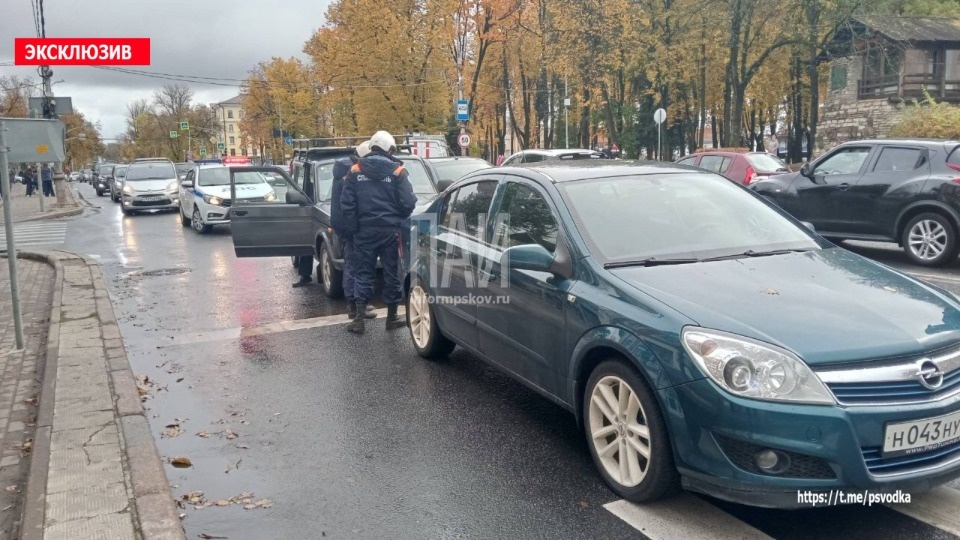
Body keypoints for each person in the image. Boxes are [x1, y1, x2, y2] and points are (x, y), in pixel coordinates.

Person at [341, 130, 417, 334]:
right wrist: (398, 218)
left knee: (363, 273)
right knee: (392, 273)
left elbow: (346, 204)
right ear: (389, 148)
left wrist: (354, 228)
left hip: (364, 232)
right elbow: (409, 202)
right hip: (390, 232)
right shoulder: (399, 171)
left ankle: (359, 319)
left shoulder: (355, 170)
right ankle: (392, 318)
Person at [331, 141, 376, 320]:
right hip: (352, 226)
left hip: (344, 225)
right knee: (357, 266)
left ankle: (354, 305)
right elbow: (353, 204)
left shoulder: (342, 170)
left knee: (352, 265)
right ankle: (357, 306)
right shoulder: (353, 172)